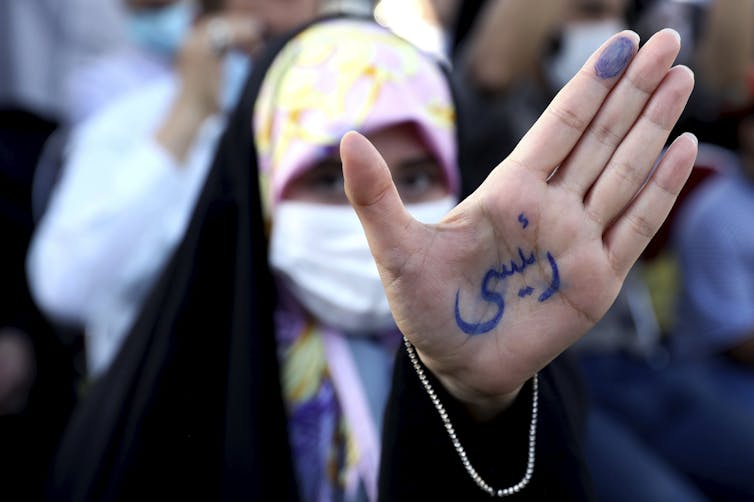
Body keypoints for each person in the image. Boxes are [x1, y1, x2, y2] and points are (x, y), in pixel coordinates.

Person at [47, 15, 697, 501]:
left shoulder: (522, 363)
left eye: (415, 177)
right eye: (330, 179)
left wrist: (475, 403)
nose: (375, 216)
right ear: (259, 191)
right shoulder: (167, 402)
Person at [27, 0, 322, 378]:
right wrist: (189, 112)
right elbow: (67, 286)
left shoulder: (345, 128)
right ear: (202, 25)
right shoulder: (132, 123)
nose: (267, 64)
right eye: (257, 40)